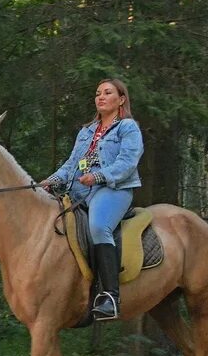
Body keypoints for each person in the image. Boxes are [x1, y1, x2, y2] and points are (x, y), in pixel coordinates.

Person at [40, 79, 143, 321]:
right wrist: (51, 180)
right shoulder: (86, 131)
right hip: (80, 191)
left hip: (114, 189)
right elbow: (71, 164)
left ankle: (110, 297)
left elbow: (127, 164)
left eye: (108, 93)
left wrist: (98, 175)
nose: (101, 97)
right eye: (98, 93)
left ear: (121, 99)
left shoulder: (127, 128)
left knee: (98, 226)